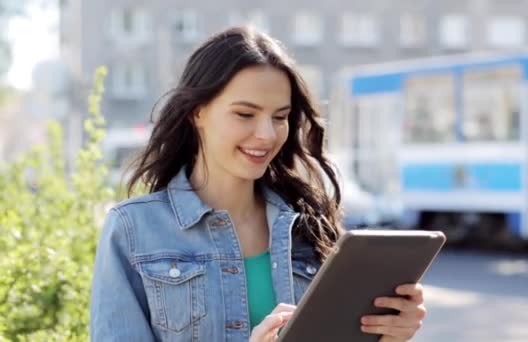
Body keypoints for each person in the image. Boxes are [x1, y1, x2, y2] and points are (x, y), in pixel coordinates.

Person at [90, 26, 426, 342]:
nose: (267, 134)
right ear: (197, 112)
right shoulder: (134, 230)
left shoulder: (309, 227)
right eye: (245, 114)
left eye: (280, 117)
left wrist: (387, 334)